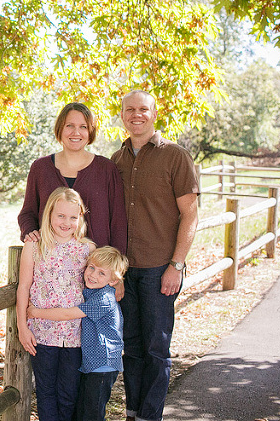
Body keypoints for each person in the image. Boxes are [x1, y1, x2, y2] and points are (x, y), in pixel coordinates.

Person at [111, 90, 199, 421]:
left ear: (154, 113)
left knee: (156, 350)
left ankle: (150, 416)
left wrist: (176, 265)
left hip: (160, 269)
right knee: (130, 349)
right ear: (122, 115)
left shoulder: (176, 156)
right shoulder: (115, 160)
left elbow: (191, 215)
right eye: (130, 109)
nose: (137, 115)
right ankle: (133, 413)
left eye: (143, 109)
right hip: (125, 271)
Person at [17, 187, 96, 421]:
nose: (66, 222)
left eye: (73, 217)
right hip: (41, 332)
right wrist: (22, 326)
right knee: (46, 392)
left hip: (75, 334)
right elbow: (24, 287)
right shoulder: (34, 245)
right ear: (49, 214)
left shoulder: (87, 248)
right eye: (60, 215)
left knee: (69, 393)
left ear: (80, 217)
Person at [27, 245, 129, 421]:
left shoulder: (104, 299)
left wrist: (36, 312)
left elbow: (67, 314)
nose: (93, 275)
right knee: (83, 412)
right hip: (92, 364)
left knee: (92, 414)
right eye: (92, 268)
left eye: (101, 273)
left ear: (113, 281)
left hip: (103, 365)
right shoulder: (93, 292)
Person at [18, 102, 127, 255]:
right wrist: (29, 231)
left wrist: (116, 266)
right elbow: (27, 213)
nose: (76, 132)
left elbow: (118, 223)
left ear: (90, 132)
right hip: (51, 266)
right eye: (70, 125)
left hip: (97, 268)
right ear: (60, 129)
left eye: (83, 127)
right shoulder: (40, 168)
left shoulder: (107, 169)